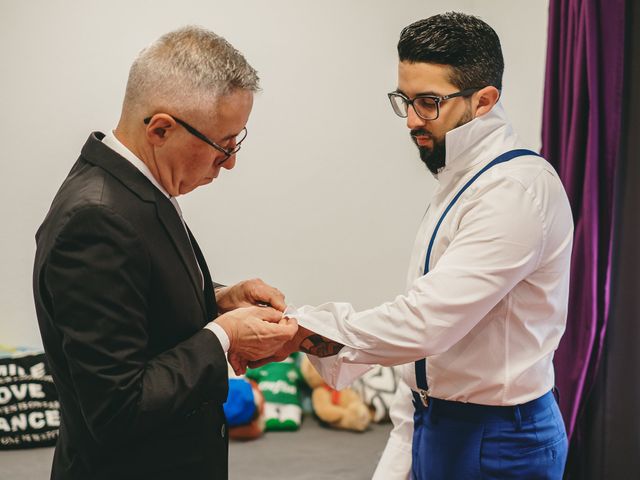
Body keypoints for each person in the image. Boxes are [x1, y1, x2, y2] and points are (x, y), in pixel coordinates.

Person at [243, 12, 573, 479]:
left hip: (498, 438)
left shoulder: (516, 191)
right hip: (436, 420)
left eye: (429, 102)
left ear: (484, 100)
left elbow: (427, 322)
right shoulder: (463, 179)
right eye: (405, 100)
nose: (412, 121)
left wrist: (303, 330)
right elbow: (430, 356)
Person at [32, 26, 297, 480]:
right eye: (223, 146)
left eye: (237, 142)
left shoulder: (133, 187)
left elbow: (137, 292)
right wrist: (225, 337)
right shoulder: (95, 219)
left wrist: (217, 297)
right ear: (160, 129)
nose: (231, 162)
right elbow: (117, 409)